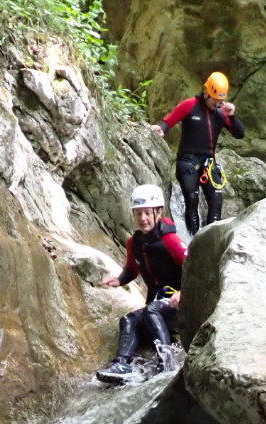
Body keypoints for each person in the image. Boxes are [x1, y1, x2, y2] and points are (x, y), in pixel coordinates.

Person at [95, 184, 187, 383]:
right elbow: (131, 269)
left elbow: (194, 266)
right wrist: (119, 280)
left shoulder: (170, 240)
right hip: (160, 306)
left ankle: (166, 362)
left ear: (158, 212)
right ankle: (121, 364)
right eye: (138, 214)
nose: (142, 218)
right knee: (128, 320)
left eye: (147, 213)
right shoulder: (134, 243)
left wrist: (183, 292)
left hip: (180, 304)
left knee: (151, 310)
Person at [152, 71, 245, 235]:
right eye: (215, 101)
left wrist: (233, 115)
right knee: (192, 198)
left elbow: (240, 134)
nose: (218, 104)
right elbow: (169, 121)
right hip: (187, 161)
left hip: (208, 163)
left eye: (221, 101)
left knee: (216, 199)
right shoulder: (190, 105)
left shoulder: (221, 112)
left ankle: (209, 238)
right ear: (207, 93)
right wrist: (161, 129)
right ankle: (193, 239)